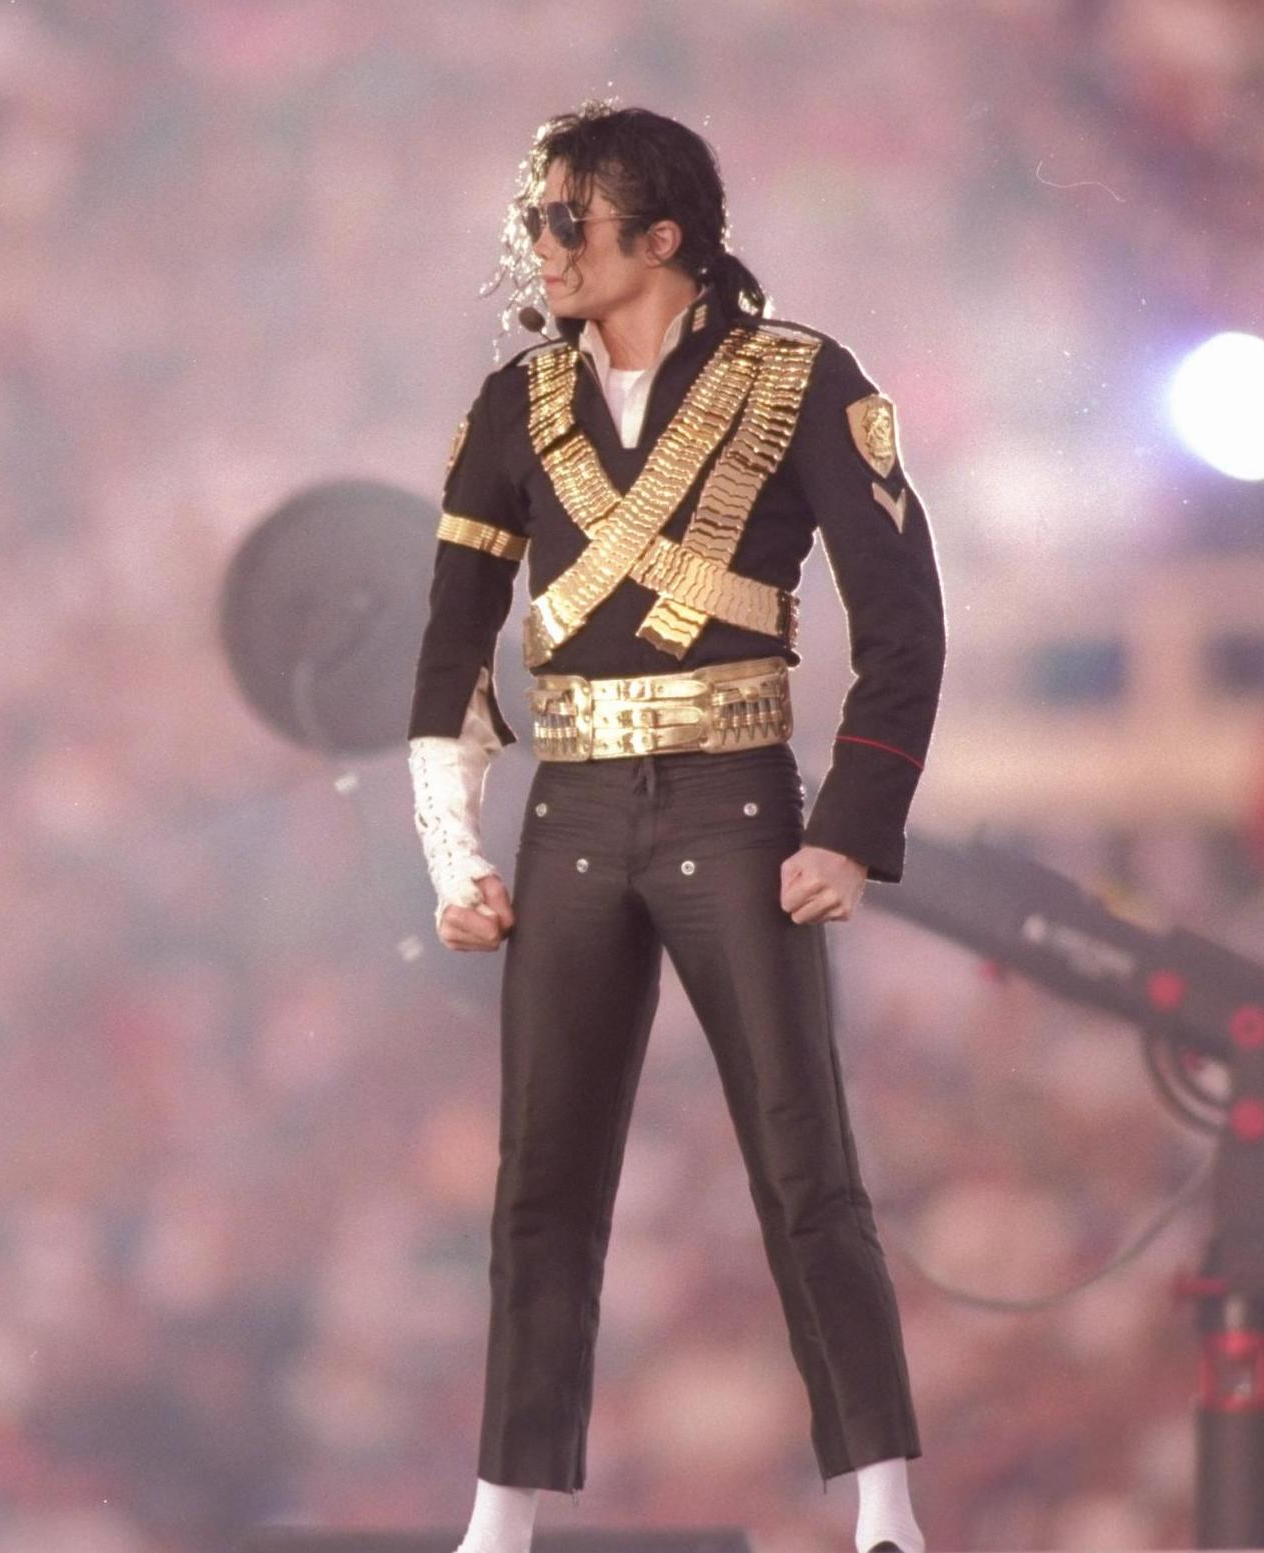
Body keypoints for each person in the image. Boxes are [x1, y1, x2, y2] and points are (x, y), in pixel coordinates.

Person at [406, 103, 945, 1553]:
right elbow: (450, 655)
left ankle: (881, 1502)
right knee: (542, 1174)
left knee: (800, 1155)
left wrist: (847, 825)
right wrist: (454, 856)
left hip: (736, 802)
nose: (540, 247)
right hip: (570, 809)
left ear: (663, 236)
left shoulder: (801, 379)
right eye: (536, 220)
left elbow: (900, 623)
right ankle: (499, 1517)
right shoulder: (508, 407)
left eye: (567, 220)